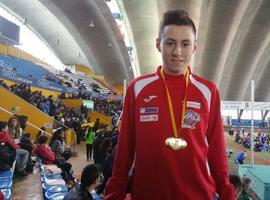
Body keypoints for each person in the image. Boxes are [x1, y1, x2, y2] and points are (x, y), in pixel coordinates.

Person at [105, 9, 235, 200]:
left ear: (194, 47)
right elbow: (125, 150)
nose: (177, 52)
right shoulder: (138, 88)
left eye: (185, 44)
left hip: (198, 195)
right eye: (170, 43)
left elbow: (216, 152)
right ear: (158, 44)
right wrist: (114, 194)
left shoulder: (208, 91)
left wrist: (226, 193)